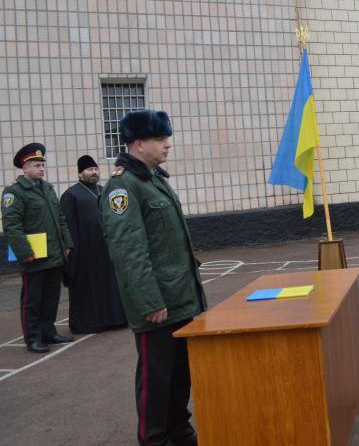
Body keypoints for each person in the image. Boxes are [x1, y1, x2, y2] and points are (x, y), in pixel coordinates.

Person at [99, 110, 206, 446]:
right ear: (138, 143)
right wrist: (149, 301)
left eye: (166, 138)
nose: (167, 144)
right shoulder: (123, 188)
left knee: (179, 375)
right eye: (160, 139)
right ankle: (154, 439)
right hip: (157, 304)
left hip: (179, 298)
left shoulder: (154, 179)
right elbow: (129, 252)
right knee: (155, 379)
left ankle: (179, 430)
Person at [1, 143, 74, 353]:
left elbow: (60, 218)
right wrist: (25, 253)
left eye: (42, 165)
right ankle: (33, 337)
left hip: (54, 252)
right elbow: (12, 226)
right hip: (34, 255)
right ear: (24, 168)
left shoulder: (47, 188)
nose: (41, 169)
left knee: (51, 297)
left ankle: (48, 332)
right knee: (32, 300)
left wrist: (67, 243)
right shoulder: (14, 193)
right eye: (36, 165)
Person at [60, 155, 126, 333]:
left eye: (96, 169)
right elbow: (68, 224)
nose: (94, 172)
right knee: (88, 287)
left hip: (105, 248)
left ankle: (114, 319)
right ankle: (89, 323)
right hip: (85, 251)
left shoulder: (103, 190)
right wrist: (72, 249)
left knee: (110, 284)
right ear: (80, 173)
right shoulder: (71, 195)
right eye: (90, 169)